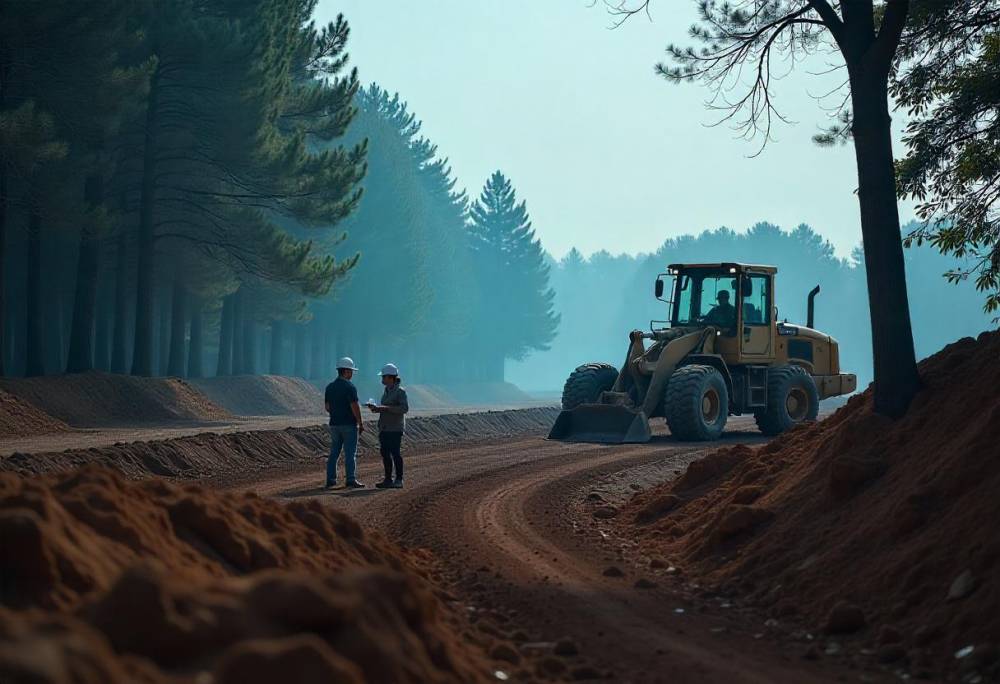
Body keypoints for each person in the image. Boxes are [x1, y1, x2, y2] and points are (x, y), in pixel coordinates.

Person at [323, 357, 365, 489]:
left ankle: (331, 479)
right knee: (350, 453)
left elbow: (327, 407)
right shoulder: (350, 387)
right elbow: (354, 406)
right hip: (348, 425)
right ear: (346, 371)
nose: (352, 373)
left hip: (334, 424)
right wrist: (360, 422)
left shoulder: (330, 387)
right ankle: (350, 479)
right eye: (351, 371)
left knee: (334, 453)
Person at [367, 363, 409, 489]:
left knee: (395, 453)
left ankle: (399, 479)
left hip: (395, 428)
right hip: (385, 427)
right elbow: (387, 409)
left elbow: (404, 408)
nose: (382, 379)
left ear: (390, 377)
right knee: (385, 453)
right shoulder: (387, 391)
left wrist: (384, 408)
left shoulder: (400, 392)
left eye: (384, 377)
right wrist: (376, 409)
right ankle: (388, 479)